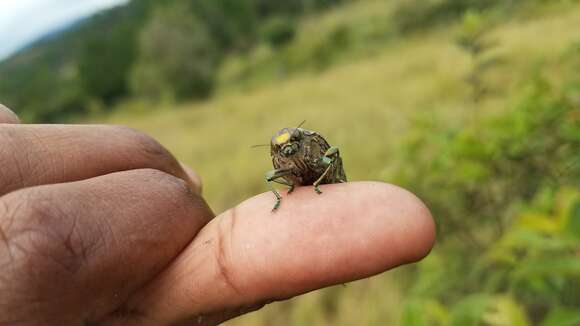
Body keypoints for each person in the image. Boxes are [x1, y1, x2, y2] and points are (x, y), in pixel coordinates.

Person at [0, 103, 435, 325]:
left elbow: (330, 154)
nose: (285, 152)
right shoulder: (280, 162)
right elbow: (274, 177)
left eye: (290, 146)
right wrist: (285, 191)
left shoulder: (310, 144)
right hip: (299, 189)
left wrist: (323, 182)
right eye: (281, 150)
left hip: (327, 178)